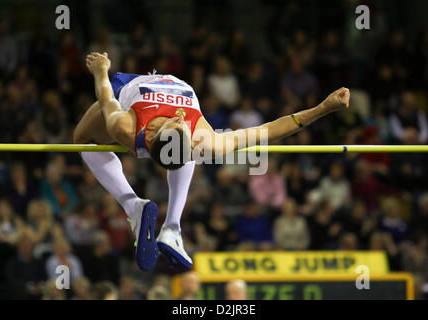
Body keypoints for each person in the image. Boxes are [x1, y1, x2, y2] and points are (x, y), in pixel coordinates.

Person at [74, 52, 350, 272]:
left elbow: (105, 93)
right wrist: (323, 109)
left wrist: (101, 69)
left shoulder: (126, 128)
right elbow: (269, 130)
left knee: (82, 141)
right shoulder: (193, 136)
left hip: (146, 93)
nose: (183, 122)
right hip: (146, 88)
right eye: (184, 129)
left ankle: (136, 208)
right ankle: (171, 227)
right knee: (192, 149)